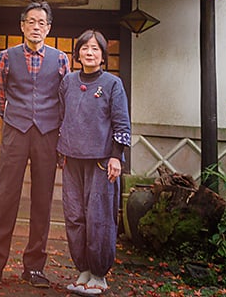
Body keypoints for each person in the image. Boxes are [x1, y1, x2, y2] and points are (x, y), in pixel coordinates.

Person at [0, 2, 70, 289]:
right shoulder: (6, 57)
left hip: (48, 133)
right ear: (22, 25)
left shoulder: (61, 59)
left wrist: (56, 131)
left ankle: (35, 268)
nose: (36, 26)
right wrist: (16, 118)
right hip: (15, 132)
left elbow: (65, 100)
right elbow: (0, 97)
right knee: (5, 198)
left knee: (42, 201)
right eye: (31, 21)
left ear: (49, 28)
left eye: (42, 22)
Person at [58, 29, 131, 296]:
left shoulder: (112, 83)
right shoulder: (67, 81)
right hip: (71, 158)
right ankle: (83, 270)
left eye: (95, 48)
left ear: (103, 55)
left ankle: (99, 274)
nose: (89, 53)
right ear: (77, 53)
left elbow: (121, 122)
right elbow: (61, 116)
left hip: (101, 161)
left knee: (98, 218)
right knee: (75, 217)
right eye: (84, 48)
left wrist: (116, 155)